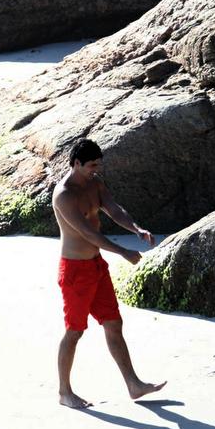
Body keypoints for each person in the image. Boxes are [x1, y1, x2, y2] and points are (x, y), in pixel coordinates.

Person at [52, 138, 166, 409]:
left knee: (113, 324)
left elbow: (114, 209)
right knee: (75, 331)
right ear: (76, 163)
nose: (96, 169)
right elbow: (88, 233)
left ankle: (133, 385)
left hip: (96, 267)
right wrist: (123, 251)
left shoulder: (95, 183)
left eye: (98, 165)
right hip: (75, 272)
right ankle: (64, 392)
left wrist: (135, 229)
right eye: (92, 165)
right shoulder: (64, 195)